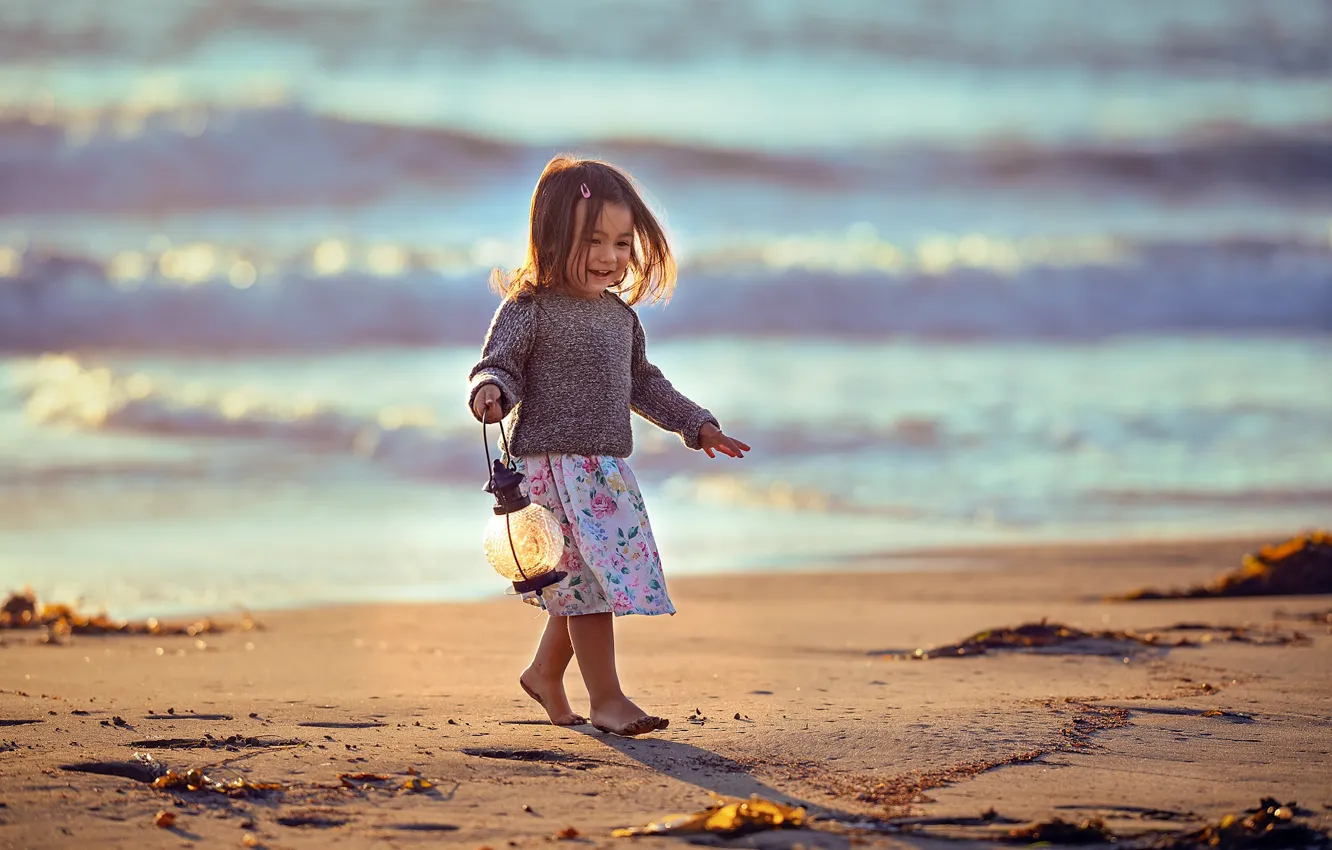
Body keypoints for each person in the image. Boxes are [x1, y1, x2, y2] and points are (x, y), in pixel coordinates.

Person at [467, 155, 750, 737]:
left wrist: (696, 425)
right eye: (593, 240)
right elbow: (499, 365)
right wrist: (490, 389)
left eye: (623, 243)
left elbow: (643, 383)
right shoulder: (529, 309)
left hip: (603, 471)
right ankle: (609, 699)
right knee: (588, 588)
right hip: (551, 473)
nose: (611, 257)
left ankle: (544, 674)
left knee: (583, 584)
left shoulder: (620, 318)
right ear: (551, 237)